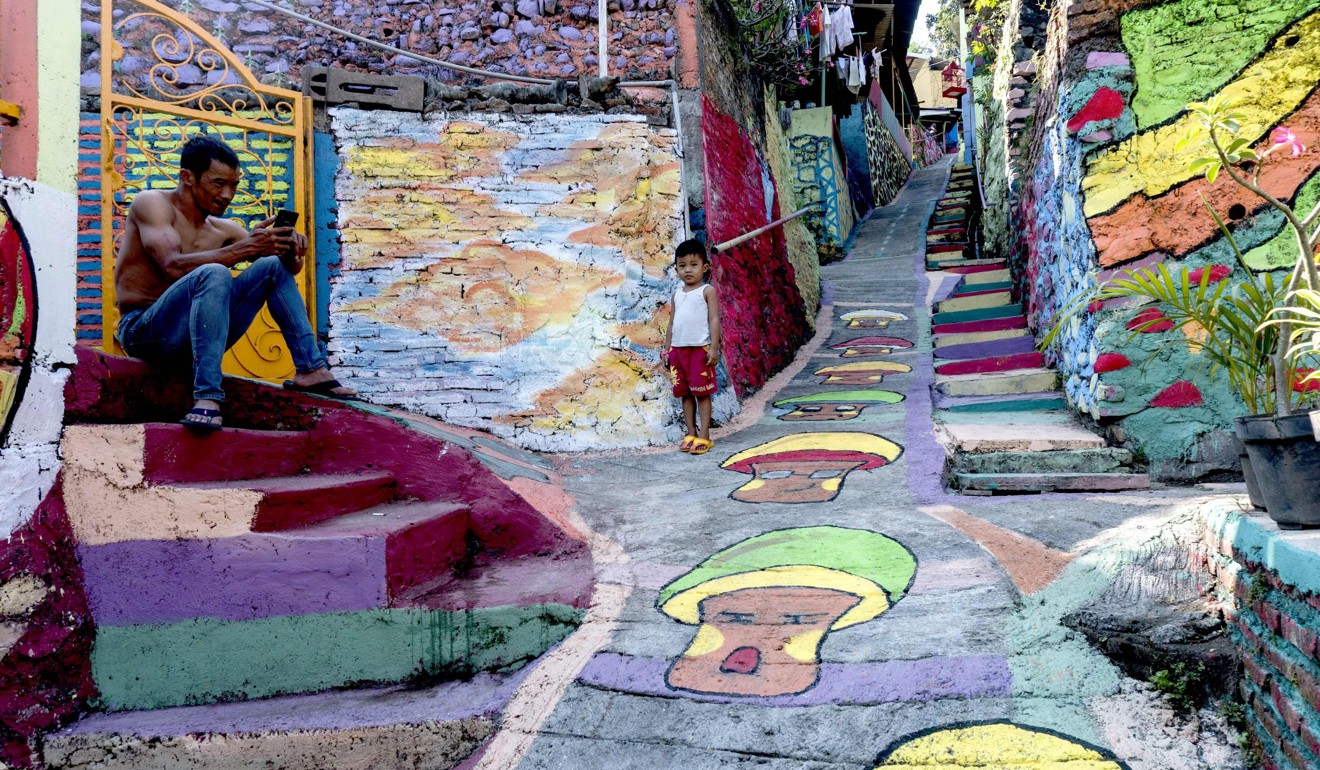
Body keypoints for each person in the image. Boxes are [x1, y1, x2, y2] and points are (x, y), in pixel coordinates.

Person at [113, 134, 355, 432]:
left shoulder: (224, 228)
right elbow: (172, 265)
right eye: (218, 183)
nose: (228, 194)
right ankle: (208, 397)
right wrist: (246, 248)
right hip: (145, 332)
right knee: (214, 273)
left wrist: (291, 251)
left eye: (234, 185)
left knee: (268, 266)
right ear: (187, 177)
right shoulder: (152, 204)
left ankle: (310, 369)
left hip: (196, 339)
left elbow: (284, 270)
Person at [662, 238, 721, 455]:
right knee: (685, 393)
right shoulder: (677, 294)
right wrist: (667, 350)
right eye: (682, 265)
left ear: (704, 267)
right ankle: (691, 432)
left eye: (693, 265)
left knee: (702, 393)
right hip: (678, 352)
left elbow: (714, 320)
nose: (688, 270)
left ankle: (705, 435)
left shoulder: (707, 291)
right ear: (676, 268)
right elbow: (671, 323)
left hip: (699, 350)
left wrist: (714, 348)